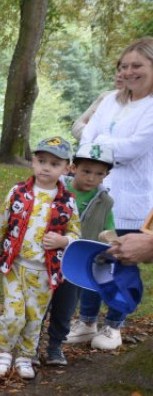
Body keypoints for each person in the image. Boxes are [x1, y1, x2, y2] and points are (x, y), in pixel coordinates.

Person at [74, 37, 153, 350]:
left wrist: (99, 144)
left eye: (137, 65)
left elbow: (135, 148)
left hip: (134, 200)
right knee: (95, 258)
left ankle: (114, 325)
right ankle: (87, 320)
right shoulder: (110, 101)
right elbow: (84, 140)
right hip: (99, 196)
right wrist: (102, 144)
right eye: (124, 66)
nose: (129, 71)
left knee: (122, 261)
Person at [0, 137, 80, 380]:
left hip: (45, 271)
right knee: (14, 312)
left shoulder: (67, 201)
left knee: (34, 316)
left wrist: (63, 241)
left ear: (66, 168)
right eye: (41, 161)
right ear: (33, 162)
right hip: (16, 266)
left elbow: (75, 232)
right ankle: (4, 351)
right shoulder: (19, 192)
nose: (46, 167)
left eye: (54, 164)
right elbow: (2, 224)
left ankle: (25, 355)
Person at [45, 141, 116, 365]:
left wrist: (110, 239)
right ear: (73, 167)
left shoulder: (105, 201)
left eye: (98, 174)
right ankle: (29, 344)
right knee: (39, 302)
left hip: (78, 263)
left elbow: (109, 229)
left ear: (105, 176)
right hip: (50, 257)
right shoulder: (57, 190)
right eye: (86, 171)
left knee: (66, 306)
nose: (91, 178)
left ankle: (55, 346)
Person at [71, 62, 123, 141]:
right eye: (119, 70)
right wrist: (93, 135)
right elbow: (76, 126)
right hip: (90, 150)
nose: (120, 75)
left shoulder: (141, 103)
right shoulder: (105, 96)